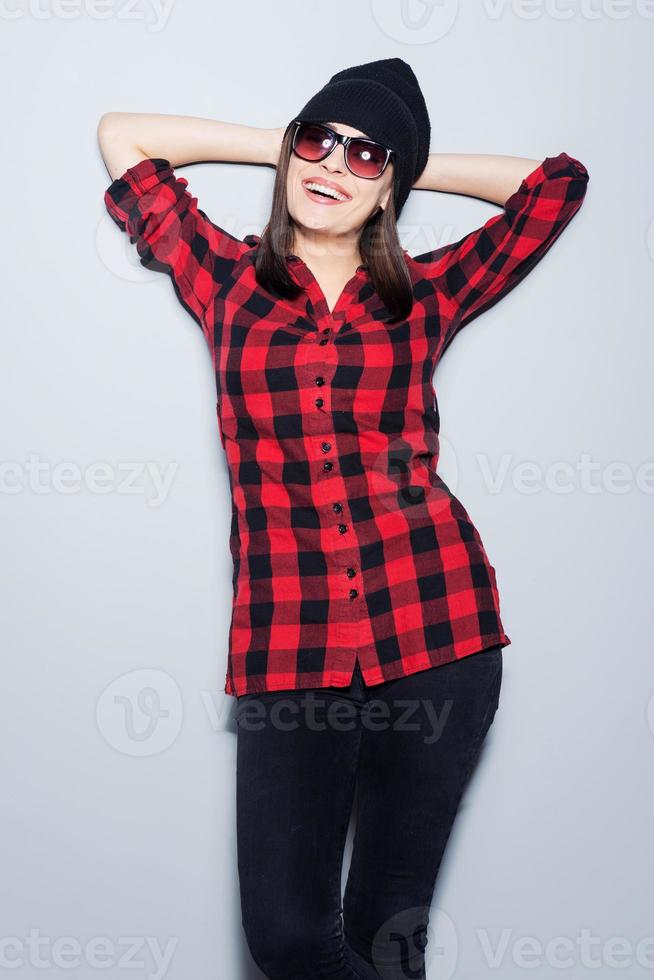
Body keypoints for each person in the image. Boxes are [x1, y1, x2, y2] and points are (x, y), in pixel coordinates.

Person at [98, 57, 589, 979]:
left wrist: (391, 168)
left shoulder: (427, 294)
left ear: (393, 185)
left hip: (439, 630)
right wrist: (292, 147)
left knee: (386, 939)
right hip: (291, 644)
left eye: (367, 159)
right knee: (289, 938)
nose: (334, 167)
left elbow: (553, 185)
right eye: (319, 144)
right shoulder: (227, 279)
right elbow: (123, 136)